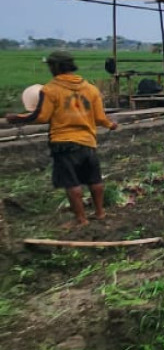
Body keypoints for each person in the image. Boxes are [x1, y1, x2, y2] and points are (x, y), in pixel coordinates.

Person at [6, 50, 120, 227]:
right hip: (88, 142)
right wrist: (111, 125)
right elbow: (100, 118)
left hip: (63, 143)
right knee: (94, 179)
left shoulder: (50, 90)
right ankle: (100, 213)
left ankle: (81, 219)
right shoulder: (91, 89)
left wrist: (18, 119)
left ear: (56, 67)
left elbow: (41, 116)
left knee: (71, 182)